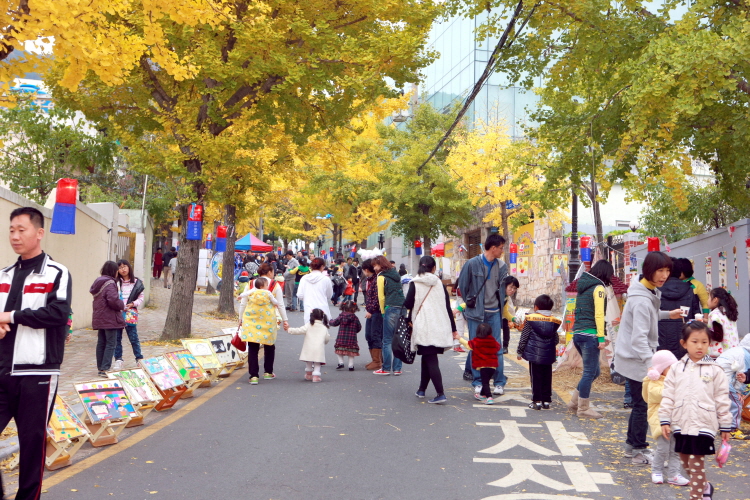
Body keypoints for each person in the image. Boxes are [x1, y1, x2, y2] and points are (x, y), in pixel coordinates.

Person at [0, 207, 72, 500]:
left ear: (39, 233)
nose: (15, 236)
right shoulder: (3, 275)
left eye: (21, 230)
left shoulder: (57, 273)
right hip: (2, 370)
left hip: (38, 374)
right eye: (11, 230)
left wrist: (12, 316)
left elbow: (58, 314)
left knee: (31, 445)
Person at [614, 251, 682, 465]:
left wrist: (667, 314)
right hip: (636, 358)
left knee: (640, 404)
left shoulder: (645, 290)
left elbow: (648, 317)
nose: (664, 275)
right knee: (642, 405)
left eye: (667, 271)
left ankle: (633, 447)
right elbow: (639, 339)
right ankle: (636, 450)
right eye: (660, 270)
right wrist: (651, 367)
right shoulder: (643, 300)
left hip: (633, 356)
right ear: (648, 271)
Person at [659, 321, 732, 500]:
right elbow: (668, 395)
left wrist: (725, 426)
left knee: (696, 461)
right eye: (695, 341)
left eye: (704, 342)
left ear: (709, 343)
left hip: (704, 423)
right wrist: (665, 420)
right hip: (681, 422)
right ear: (684, 343)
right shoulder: (676, 369)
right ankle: (705, 487)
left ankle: (696, 497)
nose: (700, 346)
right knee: (685, 461)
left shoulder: (715, 370)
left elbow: (722, 399)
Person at [456, 233, 508, 396]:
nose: (502, 251)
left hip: (494, 312)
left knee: (497, 349)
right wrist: (472, 304)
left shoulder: (501, 266)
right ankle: (478, 382)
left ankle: (499, 382)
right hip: (476, 313)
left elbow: (502, 290)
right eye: (501, 248)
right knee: (476, 347)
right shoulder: (472, 264)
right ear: (493, 248)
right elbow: (463, 287)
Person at [406, 256, 457, 404]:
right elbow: (448, 307)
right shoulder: (439, 283)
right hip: (438, 325)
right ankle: (421, 389)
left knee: (430, 359)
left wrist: (409, 318)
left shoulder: (415, 283)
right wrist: (453, 329)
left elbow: (408, 303)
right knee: (428, 357)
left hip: (422, 326)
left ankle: (440, 393)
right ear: (433, 268)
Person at [568, 260, 614, 419]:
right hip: (590, 335)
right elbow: (599, 314)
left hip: (578, 334)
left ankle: (575, 402)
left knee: (594, 371)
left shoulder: (583, 287)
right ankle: (583, 408)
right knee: (589, 372)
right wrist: (601, 337)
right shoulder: (599, 288)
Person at [643, 350, 689, 486]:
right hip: (659, 419)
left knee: (676, 449)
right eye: (670, 368)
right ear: (661, 369)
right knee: (663, 448)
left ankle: (674, 474)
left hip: (676, 419)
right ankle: (656, 471)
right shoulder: (654, 382)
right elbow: (655, 394)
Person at [517, 294, 561, 410]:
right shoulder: (553, 322)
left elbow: (524, 337)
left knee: (536, 377)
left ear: (536, 307)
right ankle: (546, 401)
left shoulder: (531, 319)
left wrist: (519, 351)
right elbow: (556, 339)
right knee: (547, 376)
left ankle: (536, 401)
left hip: (534, 355)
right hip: (548, 355)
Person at [239, 276, 283, 384]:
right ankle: (268, 372)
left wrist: (240, 318)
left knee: (253, 347)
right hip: (267, 322)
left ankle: (253, 376)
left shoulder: (252, 291)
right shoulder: (268, 293)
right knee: (269, 345)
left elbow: (243, 300)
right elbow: (275, 302)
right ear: (264, 286)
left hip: (252, 321)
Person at [372, 255, 406, 376]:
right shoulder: (395, 274)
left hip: (390, 307)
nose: (374, 268)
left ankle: (386, 368)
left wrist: (382, 311)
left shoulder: (381, 277)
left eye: (375, 265)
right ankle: (397, 368)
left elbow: (381, 297)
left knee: (387, 340)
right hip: (402, 307)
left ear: (380, 265)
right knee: (399, 338)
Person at [657, 264, 700, 359]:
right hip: (684, 338)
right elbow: (695, 313)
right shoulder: (689, 288)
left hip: (661, 338)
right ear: (680, 273)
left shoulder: (657, 290)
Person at [91, 261, 125, 377]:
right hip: (109, 318)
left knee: (101, 342)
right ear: (113, 271)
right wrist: (122, 305)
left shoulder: (98, 282)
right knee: (111, 343)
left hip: (99, 317)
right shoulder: (110, 283)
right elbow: (113, 300)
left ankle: (100, 367)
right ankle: (105, 368)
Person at [715, 334, 750, 439]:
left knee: (722, 403)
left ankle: (721, 425)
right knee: (736, 403)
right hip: (725, 380)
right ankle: (732, 429)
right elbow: (741, 375)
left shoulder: (736, 351)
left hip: (716, 376)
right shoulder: (747, 356)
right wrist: (739, 392)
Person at [112, 259, 144, 371]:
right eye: (120, 267)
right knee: (117, 338)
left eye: (125, 266)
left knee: (133, 337)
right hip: (118, 313)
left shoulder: (136, 282)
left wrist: (133, 304)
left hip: (131, 313)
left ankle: (139, 359)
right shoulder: (116, 283)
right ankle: (118, 360)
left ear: (129, 267)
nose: (123, 269)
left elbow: (141, 298)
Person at [458, 324, 500, 405]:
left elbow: (468, 345)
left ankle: (489, 397)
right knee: (486, 380)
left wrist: (459, 338)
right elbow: (498, 347)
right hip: (493, 365)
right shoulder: (493, 340)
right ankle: (482, 395)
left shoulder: (477, 341)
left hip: (483, 365)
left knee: (485, 382)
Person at [288, 308, 331, 382]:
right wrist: (325, 342)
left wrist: (289, 329)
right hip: (319, 348)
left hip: (308, 348)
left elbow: (299, 330)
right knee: (317, 362)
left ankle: (308, 375)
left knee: (309, 361)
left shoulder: (309, 325)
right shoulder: (324, 327)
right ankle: (316, 376)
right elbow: (327, 338)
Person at [297, 257, 333, 325]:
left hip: (309, 310)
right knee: (322, 332)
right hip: (322, 310)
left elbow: (299, 295)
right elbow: (329, 295)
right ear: (322, 266)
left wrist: (306, 298)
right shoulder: (326, 279)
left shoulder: (304, 278)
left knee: (310, 332)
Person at [361, 259, 383, 370]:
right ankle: (376, 359)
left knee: (375, 335)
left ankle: (377, 361)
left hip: (376, 311)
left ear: (365, 270)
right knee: (369, 335)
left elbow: (377, 298)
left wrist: (370, 310)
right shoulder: (370, 279)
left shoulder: (376, 279)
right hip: (371, 310)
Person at [707, 287, 739, 358]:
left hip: (720, 355)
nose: (707, 301)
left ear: (715, 300)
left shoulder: (714, 315)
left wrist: (704, 329)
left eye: (709, 298)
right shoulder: (728, 312)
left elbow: (718, 337)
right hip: (734, 353)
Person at [330, 300, 362, 370]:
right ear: (354, 308)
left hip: (341, 338)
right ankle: (351, 365)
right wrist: (355, 331)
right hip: (352, 339)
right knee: (351, 352)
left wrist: (329, 321)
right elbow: (359, 327)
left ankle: (341, 362)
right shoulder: (355, 318)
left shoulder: (341, 316)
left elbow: (334, 323)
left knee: (339, 350)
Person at [501, 276, 519, 354]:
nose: (512, 290)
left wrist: (513, 319)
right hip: (490, 316)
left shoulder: (506, 297)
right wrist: (461, 307)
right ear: (505, 286)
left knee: (506, 327)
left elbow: (505, 312)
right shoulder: (497, 294)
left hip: (501, 316)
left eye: (515, 288)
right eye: (511, 287)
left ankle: (505, 346)